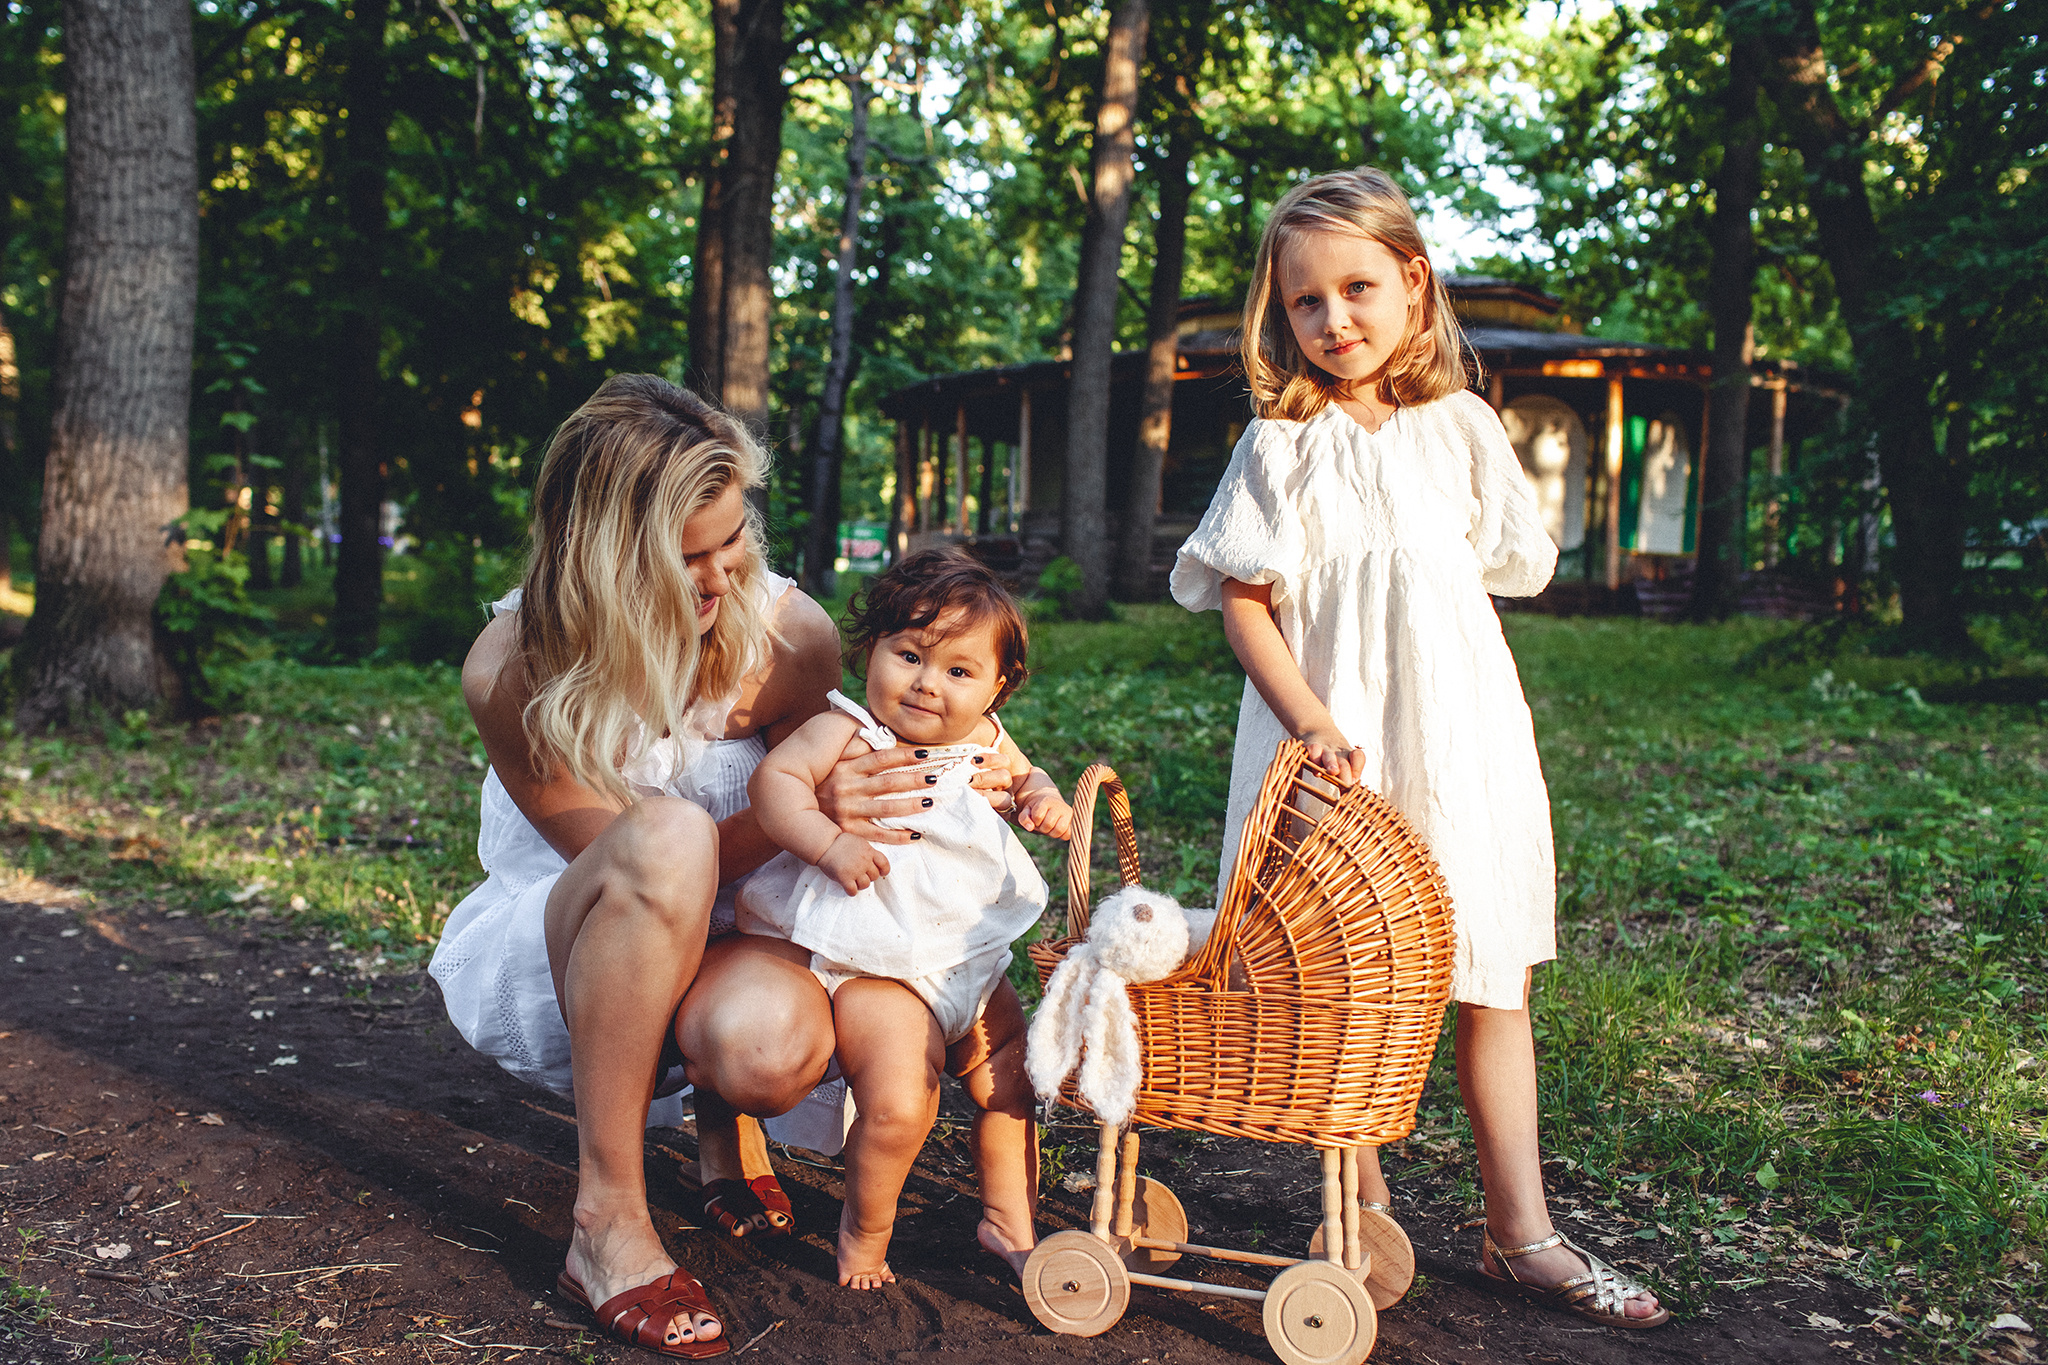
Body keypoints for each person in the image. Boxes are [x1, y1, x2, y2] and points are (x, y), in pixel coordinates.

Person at [1170, 167, 1669, 1329]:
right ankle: (1357, 1219)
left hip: (1458, 740)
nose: (1333, 319)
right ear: (1279, 316)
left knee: (1486, 974)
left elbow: (1498, 568)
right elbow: (1246, 604)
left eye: (1356, 288)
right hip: (1331, 746)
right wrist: (1311, 720)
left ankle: (1519, 1231)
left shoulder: (1460, 430)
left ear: (1411, 282)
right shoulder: (1278, 446)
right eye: (1304, 302)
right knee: (1334, 977)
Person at [429, 377, 1007, 1357]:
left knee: (768, 1051)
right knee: (667, 835)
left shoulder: (787, 634)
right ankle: (605, 1219)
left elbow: (842, 791)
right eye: (683, 558)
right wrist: (804, 815)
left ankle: (720, 1119)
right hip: (591, 929)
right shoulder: (512, 668)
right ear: (601, 557)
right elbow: (637, 877)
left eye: (732, 542)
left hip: (749, 922)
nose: (717, 579)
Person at [740, 549, 1072, 1289]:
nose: (927, 682)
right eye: (910, 655)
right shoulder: (849, 729)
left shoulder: (983, 736)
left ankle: (1009, 1223)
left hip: (970, 959)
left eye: (959, 670)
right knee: (898, 1105)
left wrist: (1038, 795)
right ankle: (864, 1230)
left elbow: (1026, 774)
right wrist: (826, 840)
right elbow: (776, 782)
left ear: (997, 687)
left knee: (1010, 1085)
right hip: (877, 964)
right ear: (873, 652)